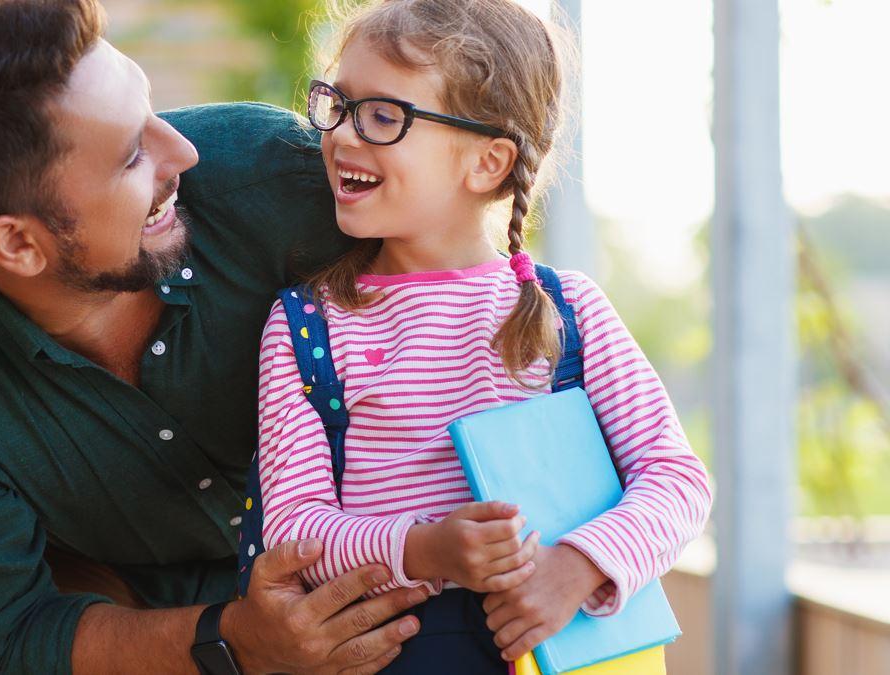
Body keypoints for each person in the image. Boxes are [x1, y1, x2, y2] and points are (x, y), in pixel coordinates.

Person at [0, 0, 464, 672]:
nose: (180, 153)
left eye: (151, 112)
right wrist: (237, 640)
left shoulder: (275, 180)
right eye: (132, 155)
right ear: (18, 244)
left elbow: (489, 319)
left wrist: (548, 558)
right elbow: (7, 639)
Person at [253, 1, 714, 672]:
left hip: (563, 646)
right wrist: (426, 549)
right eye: (339, 104)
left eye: (382, 116)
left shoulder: (568, 312)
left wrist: (577, 567)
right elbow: (293, 530)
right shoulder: (307, 327)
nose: (343, 135)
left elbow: (677, 480)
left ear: (488, 162)